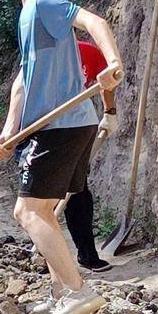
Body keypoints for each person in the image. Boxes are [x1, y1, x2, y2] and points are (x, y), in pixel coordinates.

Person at [0, 0, 124, 314]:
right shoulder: (29, 15)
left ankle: (78, 291)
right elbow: (22, 80)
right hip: (63, 125)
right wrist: (9, 130)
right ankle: (57, 293)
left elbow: (94, 21)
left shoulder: (44, 3)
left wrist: (113, 62)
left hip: (61, 126)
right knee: (43, 212)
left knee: (28, 211)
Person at [63, 39, 118, 273]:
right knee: (45, 199)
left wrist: (110, 112)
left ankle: (87, 254)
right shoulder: (42, 55)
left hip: (78, 129)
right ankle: (46, 254)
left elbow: (106, 79)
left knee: (78, 192)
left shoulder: (87, 52)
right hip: (44, 130)